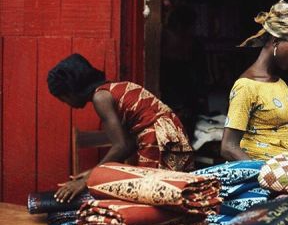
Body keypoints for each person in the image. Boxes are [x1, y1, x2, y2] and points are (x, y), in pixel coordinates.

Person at [47, 54, 193, 202]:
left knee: (151, 194)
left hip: (157, 137)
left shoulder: (100, 98)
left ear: (73, 89)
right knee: (176, 192)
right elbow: (129, 144)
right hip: (172, 133)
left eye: (63, 97)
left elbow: (121, 146)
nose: (65, 103)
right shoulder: (115, 88)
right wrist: (91, 172)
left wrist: (87, 179)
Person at [221, 0, 288, 161]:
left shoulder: (279, 83)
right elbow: (228, 147)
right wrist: (263, 174)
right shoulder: (246, 86)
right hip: (263, 176)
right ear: (275, 42)